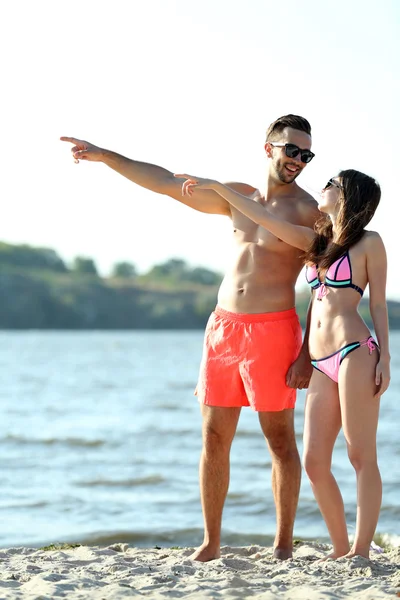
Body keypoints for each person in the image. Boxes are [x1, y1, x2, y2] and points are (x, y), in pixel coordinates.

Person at [61, 114, 320, 561]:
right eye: (291, 150)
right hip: (223, 328)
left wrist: (305, 353)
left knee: (279, 440)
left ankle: (282, 545)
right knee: (213, 438)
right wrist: (105, 156)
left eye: (306, 154)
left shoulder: (309, 211)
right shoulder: (236, 195)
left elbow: (321, 284)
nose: (298, 160)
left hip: (275, 330)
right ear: (269, 148)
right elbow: (164, 181)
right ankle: (211, 542)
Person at [177, 168, 390, 559]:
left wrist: (386, 360)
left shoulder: (370, 244)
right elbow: (266, 220)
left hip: (355, 351)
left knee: (360, 455)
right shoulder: (317, 241)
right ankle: (340, 547)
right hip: (320, 357)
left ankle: (361, 549)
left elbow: (377, 304)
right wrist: (220, 188)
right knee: (312, 460)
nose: (321, 188)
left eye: (331, 184)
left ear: (347, 196)